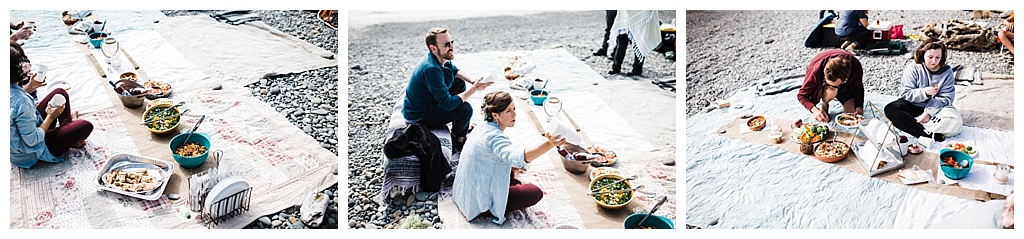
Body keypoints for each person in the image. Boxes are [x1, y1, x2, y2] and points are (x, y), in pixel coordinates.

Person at [451, 91, 566, 224]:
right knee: (534, 192)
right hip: (479, 203)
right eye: (508, 111)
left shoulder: (482, 127)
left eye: (514, 108)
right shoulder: (495, 137)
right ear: (495, 115)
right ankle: (491, 207)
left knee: (511, 171)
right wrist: (550, 143)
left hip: (463, 193)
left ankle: (511, 184)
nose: (514, 114)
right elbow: (518, 158)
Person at [402, 27, 494, 151]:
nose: (451, 47)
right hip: (419, 117)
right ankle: (458, 137)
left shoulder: (440, 58)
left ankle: (458, 125)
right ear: (433, 48)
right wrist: (474, 89)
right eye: (446, 44)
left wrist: (473, 81)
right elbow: (448, 104)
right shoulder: (431, 69)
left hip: (429, 103)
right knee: (465, 109)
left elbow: (454, 70)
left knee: (459, 82)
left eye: (452, 42)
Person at [10, 42, 93, 168]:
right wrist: (50, 117)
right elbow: (32, 140)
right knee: (85, 125)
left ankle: (67, 129)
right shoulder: (22, 103)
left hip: (25, 137)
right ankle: (69, 134)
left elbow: (13, 103)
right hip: (31, 151)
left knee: (60, 92)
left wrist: (30, 87)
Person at [884, 40, 955, 141]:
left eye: (938, 57)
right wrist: (924, 92)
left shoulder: (947, 71)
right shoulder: (913, 68)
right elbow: (905, 93)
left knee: (955, 121)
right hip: (913, 104)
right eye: (930, 57)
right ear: (923, 55)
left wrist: (929, 113)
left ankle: (917, 126)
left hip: (936, 106)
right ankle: (925, 134)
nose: (934, 61)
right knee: (891, 109)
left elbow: (947, 97)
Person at [797, 49, 865, 123]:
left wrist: (859, 107)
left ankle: (838, 91)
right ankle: (825, 103)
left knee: (853, 111)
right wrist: (815, 110)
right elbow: (801, 96)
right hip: (825, 87)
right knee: (831, 90)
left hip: (844, 86)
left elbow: (858, 88)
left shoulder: (855, 67)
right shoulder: (816, 71)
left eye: (836, 85)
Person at [607, 10, 661, 76]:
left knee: (639, 43)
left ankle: (636, 69)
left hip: (640, 17)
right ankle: (616, 68)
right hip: (626, 17)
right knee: (621, 43)